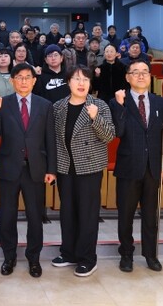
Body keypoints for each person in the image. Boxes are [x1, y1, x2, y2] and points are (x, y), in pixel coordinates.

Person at [0, 63, 57, 278]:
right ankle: (9, 257)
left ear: (34, 81)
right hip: (9, 168)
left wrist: (52, 169)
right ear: (12, 81)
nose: (24, 81)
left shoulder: (45, 105)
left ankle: (33, 258)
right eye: (19, 77)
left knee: (35, 217)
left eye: (28, 77)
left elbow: (50, 140)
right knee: (7, 217)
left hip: (35, 169)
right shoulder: (3, 103)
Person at [109, 60, 163, 273]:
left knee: (150, 216)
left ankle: (150, 254)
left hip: (154, 168)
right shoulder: (117, 101)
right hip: (128, 167)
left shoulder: (161, 103)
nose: (140, 76)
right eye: (135, 72)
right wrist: (119, 106)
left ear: (150, 76)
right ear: (127, 77)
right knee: (125, 215)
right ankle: (126, 254)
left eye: (145, 72)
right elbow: (118, 132)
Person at [51, 65, 114, 277]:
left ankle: (88, 258)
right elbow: (53, 139)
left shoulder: (99, 105)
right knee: (67, 212)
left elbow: (109, 136)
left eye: (85, 79)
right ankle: (68, 253)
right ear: (68, 82)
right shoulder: (58, 106)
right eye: (77, 79)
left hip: (89, 167)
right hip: (65, 166)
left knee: (87, 214)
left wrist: (96, 118)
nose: (81, 83)